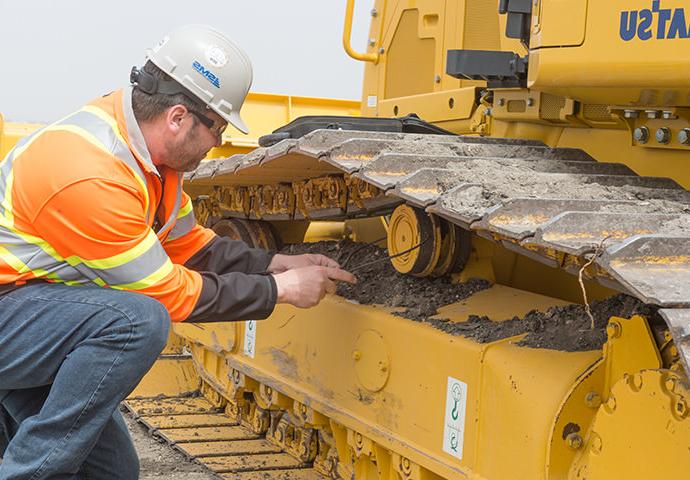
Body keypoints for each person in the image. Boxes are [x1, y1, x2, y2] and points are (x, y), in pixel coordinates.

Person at [0, 24, 356, 479]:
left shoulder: (150, 162)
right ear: (178, 117)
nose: (219, 143)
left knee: (112, 472)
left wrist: (273, 262)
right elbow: (168, 295)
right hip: (15, 313)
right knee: (137, 321)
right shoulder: (88, 173)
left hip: (42, 318)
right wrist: (280, 290)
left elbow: (187, 245)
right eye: (219, 128)